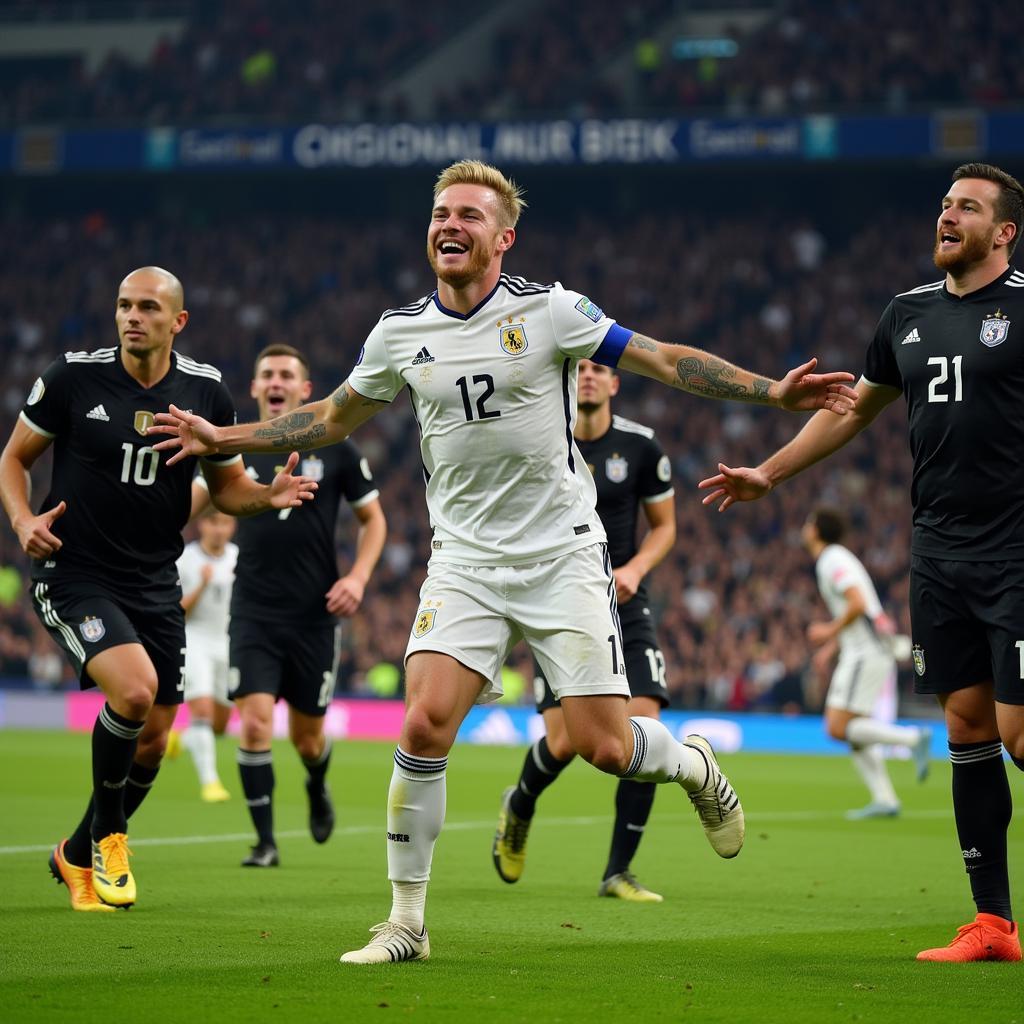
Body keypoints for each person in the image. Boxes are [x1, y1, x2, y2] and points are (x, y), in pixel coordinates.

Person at [149, 160, 858, 963]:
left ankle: (693, 763)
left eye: (469, 216)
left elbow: (661, 359)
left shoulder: (552, 311)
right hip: (465, 563)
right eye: (439, 213)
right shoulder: (398, 332)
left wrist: (771, 394)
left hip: (562, 557)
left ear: (503, 237)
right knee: (423, 722)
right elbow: (332, 415)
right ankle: (406, 924)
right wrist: (225, 438)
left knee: (606, 747)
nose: (449, 225)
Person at [699, 163, 1024, 963]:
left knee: (1021, 733)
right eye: (946, 204)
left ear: (1004, 232)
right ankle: (992, 924)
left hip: (1017, 549)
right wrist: (769, 474)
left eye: (969, 208)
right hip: (938, 553)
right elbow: (850, 413)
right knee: (968, 728)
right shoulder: (905, 315)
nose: (948, 215)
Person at [0, 267, 317, 913]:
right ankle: (113, 837)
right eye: (122, 305)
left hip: (153, 578)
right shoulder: (71, 377)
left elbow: (227, 491)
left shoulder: (205, 391)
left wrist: (264, 496)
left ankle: (78, 851)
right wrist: (23, 519)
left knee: (154, 733)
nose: (130, 317)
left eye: (147, 307)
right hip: (75, 572)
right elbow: (13, 459)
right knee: (136, 691)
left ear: (178, 321)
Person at [192, 343, 386, 868]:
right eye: (266, 375)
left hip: (314, 616)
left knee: (306, 738)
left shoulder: (339, 448)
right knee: (253, 724)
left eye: (286, 375)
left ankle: (318, 784)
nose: (275, 382)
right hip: (252, 610)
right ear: (254, 388)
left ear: (305, 391)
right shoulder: (229, 450)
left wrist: (359, 578)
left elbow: (375, 521)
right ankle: (265, 841)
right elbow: (187, 506)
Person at [493, 358, 676, 902]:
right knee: (567, 741)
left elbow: (665, 528)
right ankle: (520, 806)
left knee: (642, 727)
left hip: (626, 602)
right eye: (582, 369)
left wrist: (636, 569)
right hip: (562, 602)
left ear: (615, 383)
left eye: (601, 369)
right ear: (568, 381)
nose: (591, 375)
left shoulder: (643, 448)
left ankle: (617, 872)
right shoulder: (543, 441)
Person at [801, 506, 932, 819]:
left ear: (817, 529)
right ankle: (884, 798)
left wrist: (826, 631)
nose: (804, 528)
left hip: (866, 652)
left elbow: (858, 603)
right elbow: (858, 607)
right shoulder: (835, 558)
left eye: (808, 523)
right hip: (862, 649)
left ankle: (912, 738)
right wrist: (831, 648)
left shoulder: (832, 558)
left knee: (837, 726)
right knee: (851, 729)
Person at [167, 505, 238, 802]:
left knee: (220, 724)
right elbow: (176, 612)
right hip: (195, 640)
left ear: (232, 525)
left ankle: (180, 741)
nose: (218, 529)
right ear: (202, 525)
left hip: (229, 644)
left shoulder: (238, 558)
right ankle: (210, 782)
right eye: (213, 523)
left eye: (224, 522)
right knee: (203, 712)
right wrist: (202, 584)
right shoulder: (186, 560)